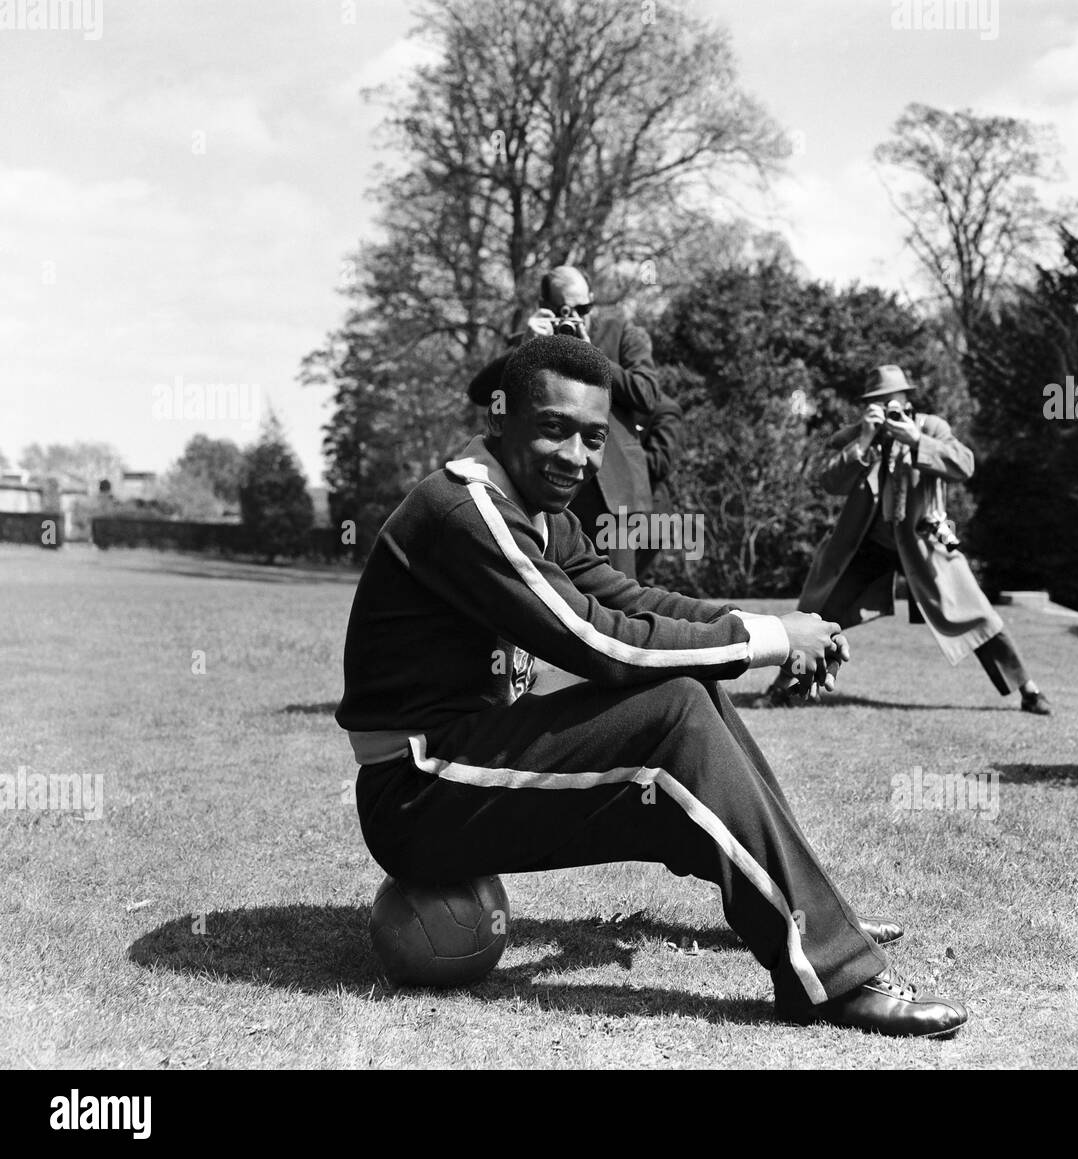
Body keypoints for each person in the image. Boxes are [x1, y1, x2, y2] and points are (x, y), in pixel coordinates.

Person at [337, 336, 968, 1038]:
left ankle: (808, 915)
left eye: (593, 437)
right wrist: (772, 643)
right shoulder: (467, 509)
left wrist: (778, 623)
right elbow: (599, 641)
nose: (576, 456)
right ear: (500, 419)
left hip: (469, 759)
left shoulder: (543, 513)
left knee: (695, 696)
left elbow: (632, 600)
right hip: (418, 790)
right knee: (673, 714)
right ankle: (827, 974)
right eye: (552, 428)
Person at [767, 365, 1051, 713]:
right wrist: (865, 441)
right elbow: (829, 482)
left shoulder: (931, 427)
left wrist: (916, 441)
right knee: (820, 614)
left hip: (921, 543)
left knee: (975, 613)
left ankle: (1029, 690)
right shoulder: (859, 434)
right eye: (876, 401)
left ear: (905, 398)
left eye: (891, 399)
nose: (886, 406)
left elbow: (964, 465)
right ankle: (786, 684)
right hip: (866, 545)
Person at [519, 265, 659, 578]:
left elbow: (648, 395)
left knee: (619, 597)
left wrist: (592, 355)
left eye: (584, 308)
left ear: (592, 299)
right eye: (564, 309)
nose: (576, 317)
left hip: (615, 492)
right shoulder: (533, 338)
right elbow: (486, 394)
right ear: (545, 305)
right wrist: (527, 348)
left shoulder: (622, 330)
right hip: (552, 488)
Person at [635, 392, 685, 582]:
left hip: (649, 513)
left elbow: (660, 464)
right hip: (608, 513)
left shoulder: (664, 409)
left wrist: (620, 452)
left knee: (637, 586)